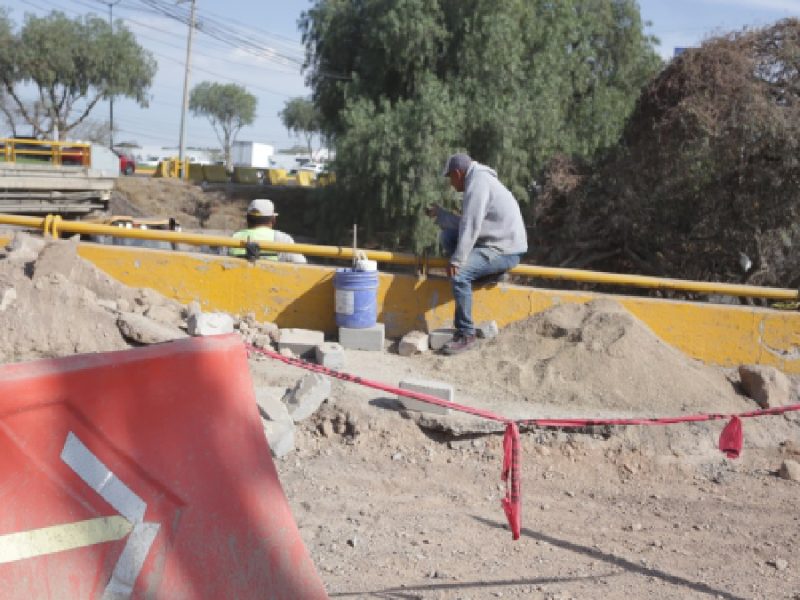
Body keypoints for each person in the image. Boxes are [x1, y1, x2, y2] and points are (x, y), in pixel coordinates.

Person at [427, 153, 527, 355]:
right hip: (494, 243)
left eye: (450, 179)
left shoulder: (478, 183)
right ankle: (489, 274)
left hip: (504, 250)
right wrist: (442, 215)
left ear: (458, 173)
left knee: (459, 274)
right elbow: (467, 224)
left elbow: (471, 225)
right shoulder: (478, 179)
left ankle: (466, 333)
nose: (451, 184)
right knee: (447, 237)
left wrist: (457, 261)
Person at [230, 198, 307, 263]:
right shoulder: (284, 239)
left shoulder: (233, 238)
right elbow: (302, 264)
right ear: (273, 220)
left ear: (247, 219)